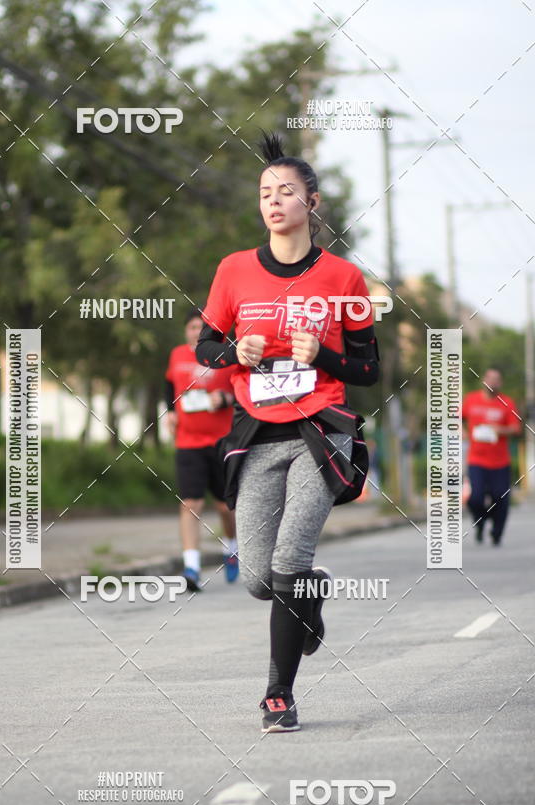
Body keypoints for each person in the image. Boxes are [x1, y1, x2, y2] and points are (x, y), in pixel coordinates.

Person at [195, 130, 379, 733]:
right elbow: (206, 347)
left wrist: (323, 355)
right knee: (257, 579)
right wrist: (235, 352)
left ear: (312, 203)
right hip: (257, 435)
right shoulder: (233, 270)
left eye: (285, 192)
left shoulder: (344, 279)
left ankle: (278, 694)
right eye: (264, 193)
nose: (272, 202)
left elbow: (369, 369)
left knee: (289, 561)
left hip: (320, 433)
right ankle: (309, 598)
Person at [165, 307, 239, 590]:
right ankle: (192, 568)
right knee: (190, 504)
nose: (197, 332)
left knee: (224, 506)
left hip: (221, 442)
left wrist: (226, 399)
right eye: (192, 327)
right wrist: (170, 411)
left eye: (202, 328)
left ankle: (231, 548)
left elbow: (243, 392)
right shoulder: (176, 355)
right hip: (188, 441)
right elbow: (168, 384)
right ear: (186, 331)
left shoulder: (226, 356)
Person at [462, 368, 521, 545]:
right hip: (476, 460)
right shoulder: (471, 400)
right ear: (483, 380)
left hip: (500, 462)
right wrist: (462, 431)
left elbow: (516, 429)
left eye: (496, 379)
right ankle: (480, 521)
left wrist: (499, 429)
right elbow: (457, 418)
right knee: (475, 498)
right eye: (490, 378)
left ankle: (496, 533)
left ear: (500, 383)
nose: (492, 382)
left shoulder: (507, 402)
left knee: (500, 498)